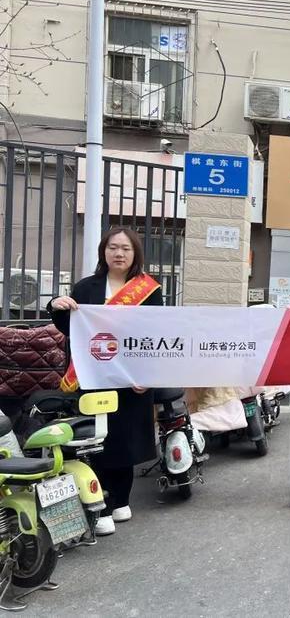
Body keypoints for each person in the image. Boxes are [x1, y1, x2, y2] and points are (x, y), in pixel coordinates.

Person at [47, 227, 162, 536]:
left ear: (135, 253)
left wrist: (147, 374)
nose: (119, 253)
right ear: (104, 251)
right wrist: (56, 306)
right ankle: (104, 506)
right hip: (96, 375)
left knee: (126, 439)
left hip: (131, 377)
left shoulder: (149, 290)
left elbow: (155, 335)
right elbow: (71, 327)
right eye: (113, 247)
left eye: (125, 248)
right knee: (99, 440)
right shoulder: (86, 287)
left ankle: (121, 499)